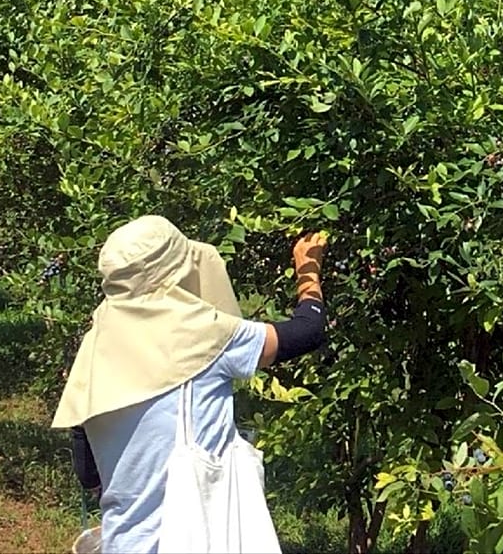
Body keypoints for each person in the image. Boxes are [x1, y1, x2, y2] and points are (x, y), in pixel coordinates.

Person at [51, 215, 329, 553]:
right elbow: (307, 331)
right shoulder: (202, 334)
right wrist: (308, 272)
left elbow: (88, 473)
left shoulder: (95, 348)